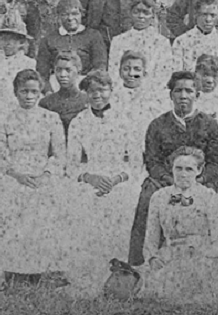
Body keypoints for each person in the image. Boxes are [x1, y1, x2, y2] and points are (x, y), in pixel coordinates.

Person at [127, 71, 218, 266]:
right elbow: (152, 162)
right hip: (166, 180)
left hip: (200, 179)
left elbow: (216, 163)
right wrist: (171, 181)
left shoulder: (210, 124)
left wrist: (198, 181)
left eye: (189, 90)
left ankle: (207, 259)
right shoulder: (157, 125)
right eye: (178, 90)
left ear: (197, 95)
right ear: (170, 94)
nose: (183, 95)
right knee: (147, 196)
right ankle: (140, 263)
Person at [65, 70, 146, 294]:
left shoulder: (126, 118)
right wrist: (90, 177)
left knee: (123, 204)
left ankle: (119, 278)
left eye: (102, 90)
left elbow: (137, 163)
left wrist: (116, 179)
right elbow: (71, 165)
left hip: (120, 179)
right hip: (91, 178)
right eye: (92, 91)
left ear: (111, 91)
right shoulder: (79, 122)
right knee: (84, 206)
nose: (97, 95)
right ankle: (90, 274)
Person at [0, 69, 68, 283]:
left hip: (42, 174)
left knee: (46, 202)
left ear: (40, 91)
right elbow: (0, 156)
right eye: (24, 91)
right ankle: (12, 268)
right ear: (15, 92)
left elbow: (59, 154)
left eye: (34, 91)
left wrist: (47, 174)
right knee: (10, 200)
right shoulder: (4, 119)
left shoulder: (51, 118)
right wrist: (17, 174)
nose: (29, 96)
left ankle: (40, 269)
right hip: (14, 174)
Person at [140, 147, 218, 303]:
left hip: (202, 257)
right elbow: (151, 236)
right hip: (170, 257)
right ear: (171, 169)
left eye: (189, 169)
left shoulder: (208, 196)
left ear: (199, 170)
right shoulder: (159, 197)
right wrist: (153, 259)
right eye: (178, 168)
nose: (183, 174)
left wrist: (203, 253)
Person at [35, 0, 107, 93]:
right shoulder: (48, 40)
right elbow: (42, 73)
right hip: (56, 86)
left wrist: (87, 89)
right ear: (58, 16)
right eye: (65, 14)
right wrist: (49, 93)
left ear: (81, 14)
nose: (70, 18)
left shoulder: (93, 36)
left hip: (85, 87)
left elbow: (100, 66)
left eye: (74, 14)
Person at [171, 0, 218, 91]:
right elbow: (176, 74)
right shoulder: (182, 41)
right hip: (190, 92)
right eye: (204, 14)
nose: (208, 19)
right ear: (196, 15)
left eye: (212, 15)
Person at [107, 0, 175, 91]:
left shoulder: (162, 42)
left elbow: (164, 74)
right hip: (123, 92)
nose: (141, 16)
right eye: (136, 12)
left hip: (152, 93)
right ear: (130, 14)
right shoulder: (118, 41)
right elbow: (113, 71)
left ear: (152, 16)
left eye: (146, 13)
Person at [0, 10, 36, 108]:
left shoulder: (28, 64)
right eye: (4, 38)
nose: (8, 43)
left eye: (13, 39)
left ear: (20, 41)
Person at [38, 52, 90, 138]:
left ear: (78, 72)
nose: (62, 75)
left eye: (68, 70)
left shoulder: (87, 101)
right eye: (58, 70)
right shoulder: (46, 103)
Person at [108, 50, 168, 121]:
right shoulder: (111, 97)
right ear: (120, 72)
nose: (131, 73)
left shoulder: (152, 98)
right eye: (126, 69)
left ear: (144, 73)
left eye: (137, 69)